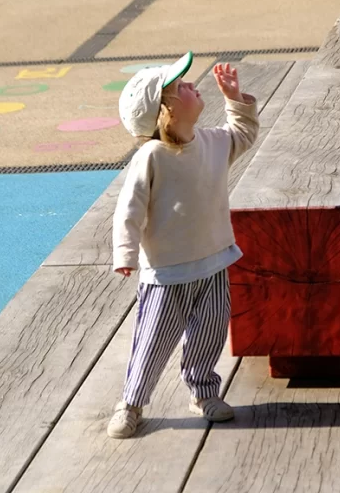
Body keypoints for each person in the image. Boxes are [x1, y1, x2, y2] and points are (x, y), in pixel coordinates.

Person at [107, 52, 259, 439]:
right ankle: (132, 402)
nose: (194, 85)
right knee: (153, 340)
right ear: (166, 112)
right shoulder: (151, 157)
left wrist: (234, 99)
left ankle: (204, 392)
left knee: (210, 334)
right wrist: (125, 254)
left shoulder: (209, 142)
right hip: (167, 272)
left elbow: (242, 135)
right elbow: (129, 210)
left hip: (213, 262)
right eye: (181, 88)